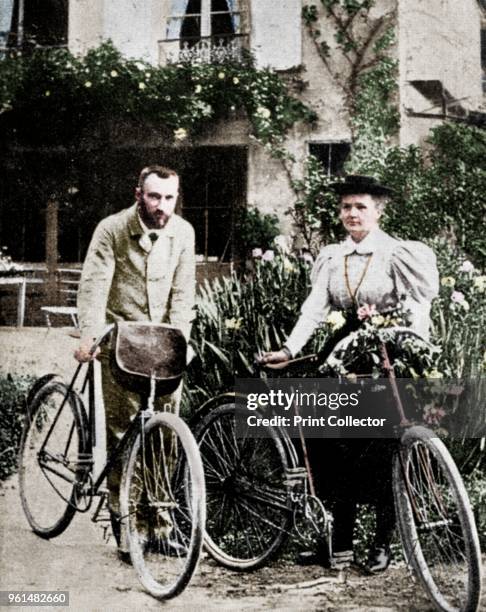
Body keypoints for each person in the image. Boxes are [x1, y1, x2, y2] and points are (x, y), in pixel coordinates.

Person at [260, 174, 439, 573]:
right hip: (343, 352)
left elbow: (418, 307)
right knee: (332, 445)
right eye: (346, 207)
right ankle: (336, 543)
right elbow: (314, 309)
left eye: (361, 206)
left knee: (381, 448)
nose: (352, 214)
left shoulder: (397, 254)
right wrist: (290, 349)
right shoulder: (332, 257)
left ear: (378, 210)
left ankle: (381, 544)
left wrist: (411, 345)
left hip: (386, 353)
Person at [74, 165, 196, 560]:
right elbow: (94, 286)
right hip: (121, 343)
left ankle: (160, 524)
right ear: (138, 194)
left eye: (169, 197)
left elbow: (183, 294)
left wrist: (181, 342)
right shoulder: (111, 230)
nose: (162, 206)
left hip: (162, 346)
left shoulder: (183, 233)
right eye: (154, 196)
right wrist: (90, 336)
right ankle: (126, 524)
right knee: (125, 433)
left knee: (164, 434)